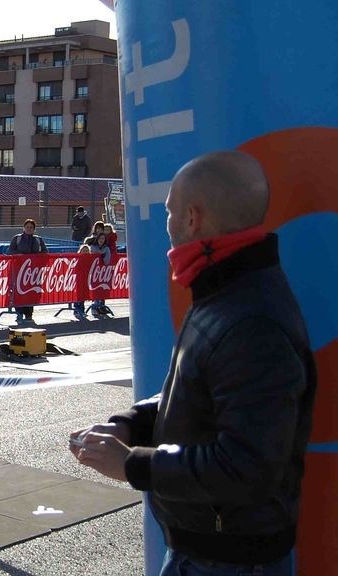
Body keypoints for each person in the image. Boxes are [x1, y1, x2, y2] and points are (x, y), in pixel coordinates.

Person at [70, 151, 316, 575]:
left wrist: (133, 464)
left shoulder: (249, 318)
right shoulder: (228, 292)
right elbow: (191, 392)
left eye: (169, 212)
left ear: (192, 218)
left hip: (230, 561)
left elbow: (246, 466)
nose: (164, 225)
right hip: (210, 552)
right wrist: (130, 422)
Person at [8, 218, 47, 323]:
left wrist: (36, 257)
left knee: (32, 292)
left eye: (31, 227)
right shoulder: (17, 239)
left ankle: (29, 314)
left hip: (34, 272)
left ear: (34, 229)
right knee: (19, 292)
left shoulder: (38, 239)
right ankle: (19, 313)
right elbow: (10, 251)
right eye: (27, 227)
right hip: (19, 271)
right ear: (23, 228)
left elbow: (45, 252)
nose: (29, 229)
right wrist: (19, 255)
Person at [90, 232, 112, 317]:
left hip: (102, 272)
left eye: (103, 239)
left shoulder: (106, 249)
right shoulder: (93, 247)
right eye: (100, 238)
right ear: (97, 239)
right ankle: (94, 308)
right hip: (93, 272)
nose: (101, 240)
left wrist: (102, 256)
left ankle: (101, 307)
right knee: (94, 290)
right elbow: (91, 257)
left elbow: (107, 261)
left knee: (101, 290)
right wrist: (99, 255)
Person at [72, 244, 91, 320]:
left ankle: (82, 310)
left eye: (87, 251)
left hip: (86, 279)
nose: (85, 252)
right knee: (79, 294)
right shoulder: (78, 258)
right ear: (80, 251)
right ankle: (76, 309)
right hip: (79, 279)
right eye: (84, 251)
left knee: (83, 295)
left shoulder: (90, 259)